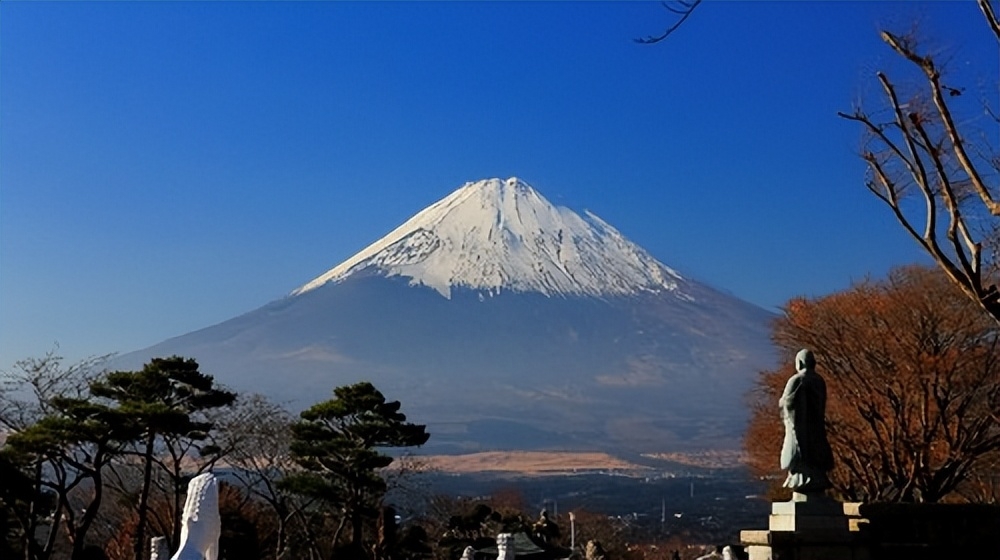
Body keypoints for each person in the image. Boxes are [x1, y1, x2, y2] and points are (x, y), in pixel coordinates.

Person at [779, 349, 834, 493]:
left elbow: (787, 404)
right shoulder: (819, 381)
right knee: (815, 454)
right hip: (817, 432)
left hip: (800, 431)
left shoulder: (796, 380)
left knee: (802, 459)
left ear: (800, 363)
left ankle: (804, 479)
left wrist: (782, 402)